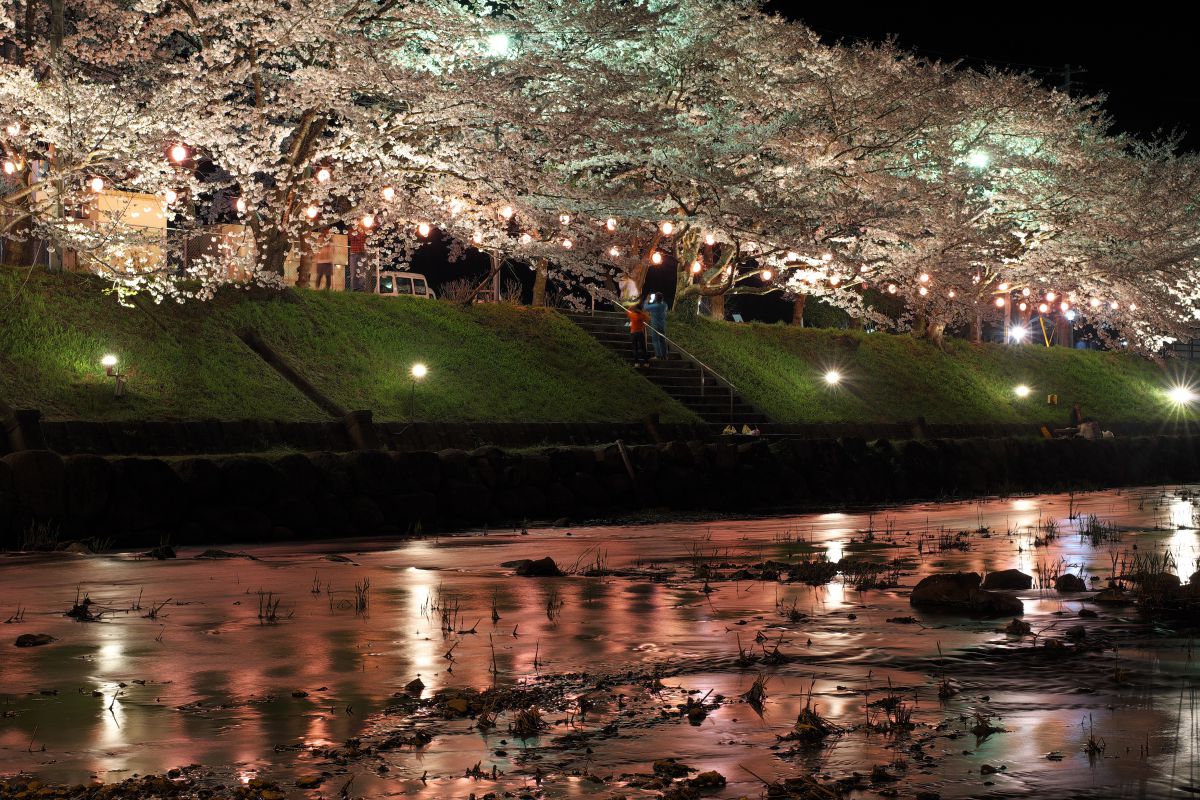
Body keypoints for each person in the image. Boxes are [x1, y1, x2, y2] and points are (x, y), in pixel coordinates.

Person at [625, 300, 650, 367]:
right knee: (643, 348)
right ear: (641, 309)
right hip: (640, 332)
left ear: (635, 308)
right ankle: (646, 363)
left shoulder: (632, 314)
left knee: (635, 348)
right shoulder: (642, 315)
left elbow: (627, 311)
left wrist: (632, 306)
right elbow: (648, 319)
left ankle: (636, 363)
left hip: (633, 333)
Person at [645, 292, 669, 360]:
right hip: (662, 325)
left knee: (655, 340)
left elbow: (645, 307)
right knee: (662, 340)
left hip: (655, 325)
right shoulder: (665, 305)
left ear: (656, 298)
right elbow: (661, 303)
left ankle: (658, 355)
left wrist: (647, 300)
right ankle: (665, 355)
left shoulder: (654, 306)